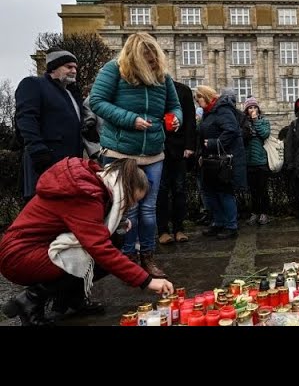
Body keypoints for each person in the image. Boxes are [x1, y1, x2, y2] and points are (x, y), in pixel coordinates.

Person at [0, 157, 174, 326]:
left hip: (32, 249)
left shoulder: (96, 182)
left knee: (115, 238)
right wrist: (146, 280)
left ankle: (73, 299)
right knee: (99, 254)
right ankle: (30, 299)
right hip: (19, 257)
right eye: (130, 201)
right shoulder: (84, 193)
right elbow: (99, 248)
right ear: (125, 188)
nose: (128, 207)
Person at [90, 32, 183, 279]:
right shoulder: (113, 70)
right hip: (121, 151)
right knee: (128, 209)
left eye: (155, 60)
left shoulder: (163, 77)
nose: (152, 65)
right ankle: (129, 258)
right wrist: (130, 120)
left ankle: (148, 257)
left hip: (153, 152)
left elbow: (174, 106)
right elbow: (97, 101)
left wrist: (176, 119)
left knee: (149, 210)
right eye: (148, 61)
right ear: (135, 58)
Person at [15, 48, 84, 199]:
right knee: (40, 212)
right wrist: (37, 149)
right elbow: (26, 118)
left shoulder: (72, 93)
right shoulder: (33, 84)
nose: (74, 71)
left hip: (70, 163)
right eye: (68, 67)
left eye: (75, 68)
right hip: (44, 160)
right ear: (54, 67)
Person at [197, 86, 248, 239]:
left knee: (224, 192)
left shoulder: (223, 109)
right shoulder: (209, 112)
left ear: (205, 97)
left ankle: (231, 226)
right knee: (211, 191)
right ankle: (218, 222)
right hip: (211, 160)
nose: (197, 103)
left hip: (224, 161)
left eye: (198, 99)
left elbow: (232, 130)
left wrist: (214, 143)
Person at [157, 80, 197, 244]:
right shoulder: (151, 88)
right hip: (158, 147)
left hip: (179, 148)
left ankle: (179, 228)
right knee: (161, 190)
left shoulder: (183, 90)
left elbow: (190, 120)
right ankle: (163, 230)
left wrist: (189, 145)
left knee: (179, 189)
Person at [241, 97, 272, 226]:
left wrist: (255, 121)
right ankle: (255, 213)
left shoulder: (263, 121)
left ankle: (264, 213)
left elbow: (265, 134)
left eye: (254, 107)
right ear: (246, 110)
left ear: (258, 109)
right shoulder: (243, 123)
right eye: (250, 108)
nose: (253, 110)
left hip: (261, 161)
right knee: (252, 190)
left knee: (263, 189)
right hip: (249, 161)